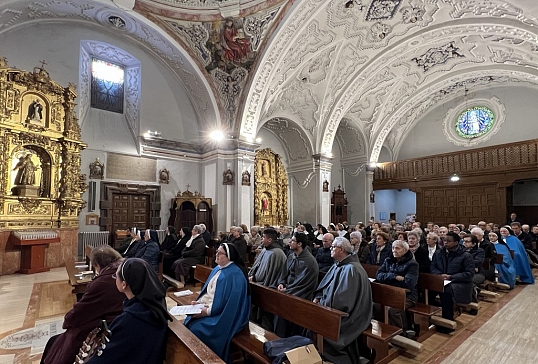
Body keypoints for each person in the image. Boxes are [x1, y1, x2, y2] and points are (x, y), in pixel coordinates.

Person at [41, 246, 124, 364]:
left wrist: (68, 320)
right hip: (113, 322)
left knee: (56, 344)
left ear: (97, 265)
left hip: (103, 329)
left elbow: (80, 313)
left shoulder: (103, 282)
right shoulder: (121, 272)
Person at [87, 258, 171, 364]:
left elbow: (107, 356)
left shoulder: (131, 318)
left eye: (116, 276)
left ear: (124, 284)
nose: (114, 279)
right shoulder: (154, 305)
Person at [185, 243, 250, 363]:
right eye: (217, 252)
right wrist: (198, 302)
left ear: (229, 256)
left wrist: (206, 312)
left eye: (220, 253)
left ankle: (208, 360)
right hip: (214, 309)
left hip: (227, 315)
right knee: (188, 322)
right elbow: (209, 293)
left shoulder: (234, 275)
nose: (217, 255)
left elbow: (230, 304)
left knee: (196, 329)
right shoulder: (218, 268)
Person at [313, 237, 372, 364]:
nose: (330, 249)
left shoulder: (351, 269)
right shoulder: (339, 265)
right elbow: (325, 286)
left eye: (333, 247)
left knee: (318, 325)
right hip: (332, 307)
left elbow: (343, 303)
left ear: (341, 250)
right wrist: (318, 298)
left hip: (350, 316)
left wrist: (322, 306)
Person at [275, 232, 319, 337]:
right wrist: (281, 283)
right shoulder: (291, 256)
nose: (290, 242)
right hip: (288, 291)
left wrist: (287, 291)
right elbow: (284, 273)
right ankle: (278, 338)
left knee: (284, 307)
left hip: (301, 294)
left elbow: (303, 284)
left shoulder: (309, 261)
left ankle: (286, 339)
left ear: (299, 244)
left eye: (293, 241)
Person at [375, 240, 419, 335]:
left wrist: (388, 278)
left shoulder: (412, 264)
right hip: (390, 293)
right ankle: (385, 330)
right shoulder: (388, 260)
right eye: (393, 248)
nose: (394, 250)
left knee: (392, 310)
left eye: (397, 248)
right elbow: (378, 275)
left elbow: (409, 283)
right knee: (376, 306)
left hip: (407, 295)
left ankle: (400, 333)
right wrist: (394, 277)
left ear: (405, 250)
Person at [430, 232, 474, 326]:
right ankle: (428, 317)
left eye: (448, 241)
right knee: (428, 288)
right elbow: (433, 266)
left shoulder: (465, 255)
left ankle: (447, 319)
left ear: (456, 242)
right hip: (441, 279)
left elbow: (469, 274)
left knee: (446, 291)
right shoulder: (438, 253)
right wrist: (439, 275)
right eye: (444, 240)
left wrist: (451, 277)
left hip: (459, 283)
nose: (445, 243)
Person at [248, 228, 287, 330]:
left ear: (270, 240)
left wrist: (255, 277)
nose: (261, 239)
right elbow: (257, 265)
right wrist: (251, 275)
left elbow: (269, 273)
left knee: (265, 317)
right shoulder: (266, 249)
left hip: (268, 286)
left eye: (263, 237)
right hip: (257, 282)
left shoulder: (276, 253)